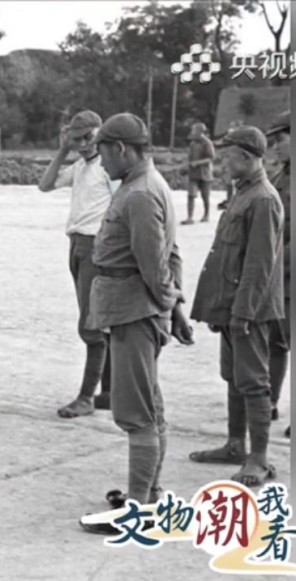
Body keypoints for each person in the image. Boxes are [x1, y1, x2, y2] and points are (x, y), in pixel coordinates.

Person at [77, 113, 194, 535]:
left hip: (135, 311)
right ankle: (149, 492)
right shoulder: (144, 185)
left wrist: (167, 306)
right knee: (149, 404)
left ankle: (139, 509)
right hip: (138, 309)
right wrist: (174, 309)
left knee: (137, 411)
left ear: (121, 149)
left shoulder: (140, 194)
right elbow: (170, 255)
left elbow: (154, 265)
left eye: (103, 151)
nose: (100, 161)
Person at [187, 126, 285, 488]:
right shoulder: (244, 193)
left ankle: (258, 458)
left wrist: (243, 313)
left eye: (228, 155)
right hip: (231, 307)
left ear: (246, 157)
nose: (222, 161)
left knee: (254, 382)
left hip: (251, 311)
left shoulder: (262, 199)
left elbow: (259, 266)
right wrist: (220, 309)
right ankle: (234, 445)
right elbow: (228, 257)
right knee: (234, 378)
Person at [38, 110, 120, 418]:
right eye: (78, 138)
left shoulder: (107, 167)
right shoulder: (82, 165)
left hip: (96, 246)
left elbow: (121, 205)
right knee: (98, 321)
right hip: (77, 246)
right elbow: (45, 185)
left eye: (89, 137)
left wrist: (106, 245)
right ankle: (109, 391)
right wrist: (62, 150)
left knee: (92, 324)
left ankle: (87, 396)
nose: (85, 144)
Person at [265, 111, 291, 437]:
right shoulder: (282, 175)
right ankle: (268, 402)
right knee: (277, 342)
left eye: (280, 140)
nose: (275, 147)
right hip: (281, 277)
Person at [182, 122, 215, 224]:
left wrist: (198, 163)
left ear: (200, 131)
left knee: (205, 196)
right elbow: (190, 158)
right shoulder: (192, 144)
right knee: (191, 195)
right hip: (193, 173)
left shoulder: (207, 143)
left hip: (205, 173)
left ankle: (206, 215)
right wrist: (186, 167)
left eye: (194, 130)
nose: (192, 132)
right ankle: (190, 217)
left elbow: (211, 158)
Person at [218, 120, 244, 211]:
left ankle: (232, 200)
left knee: (233, 185)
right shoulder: (226, 146)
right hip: (227, 165)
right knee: (228, 184)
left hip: (234, 165)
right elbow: (224, 156)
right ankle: (229, 200)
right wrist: (223, 167)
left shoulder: (238, 141)